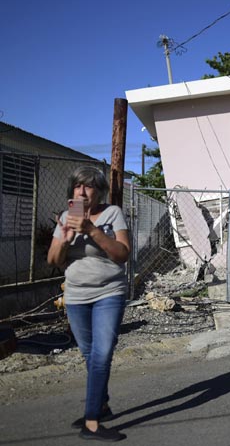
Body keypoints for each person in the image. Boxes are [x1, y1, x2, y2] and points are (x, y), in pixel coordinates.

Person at [47, 166, 130, 442]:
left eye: (89, 187)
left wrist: (92, 230)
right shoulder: (65, 218)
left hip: (109, 292)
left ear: (99, 191)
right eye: (78, 187)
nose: (82, 192)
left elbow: (122, 254)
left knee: (102, 354)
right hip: (76, 296)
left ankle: (91, 422)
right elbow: (53, 261)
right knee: (90, 355)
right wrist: (66, 240)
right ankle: (102, 405)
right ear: (72, 192)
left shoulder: (112, 214)